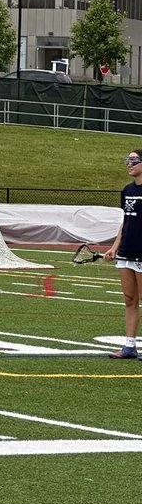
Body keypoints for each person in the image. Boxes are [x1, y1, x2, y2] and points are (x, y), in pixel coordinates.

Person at [107, 148, 142, 358]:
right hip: (126, 252)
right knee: (130, 299)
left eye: (134, 160)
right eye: (127, 161)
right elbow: (126, 221)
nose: (129, 164)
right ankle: (129, 346)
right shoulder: (127, 190)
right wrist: (114, 247)